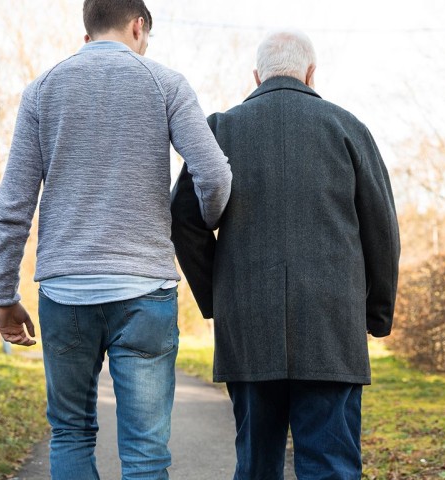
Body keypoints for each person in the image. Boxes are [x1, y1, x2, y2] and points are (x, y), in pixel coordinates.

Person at [0, 0, 232, 478]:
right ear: (139, 28)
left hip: (65, 290)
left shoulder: (42, 90)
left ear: (87, 36)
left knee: (72, 433)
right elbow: (215, 176)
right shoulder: (166, 83)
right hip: (145, 292)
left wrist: (3, 295)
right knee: (145, 452)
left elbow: (13, 205)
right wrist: (206, 225)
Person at [171, 30, 400, 479]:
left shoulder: (220, 130)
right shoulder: (348, 128)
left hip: (248, 324)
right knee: (331, 465)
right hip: (332, 327)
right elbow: (382, 230)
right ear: (311, 73)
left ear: (256, 76)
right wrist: (376, 314)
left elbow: (184, 221)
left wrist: (220, 299)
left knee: (256, 465)